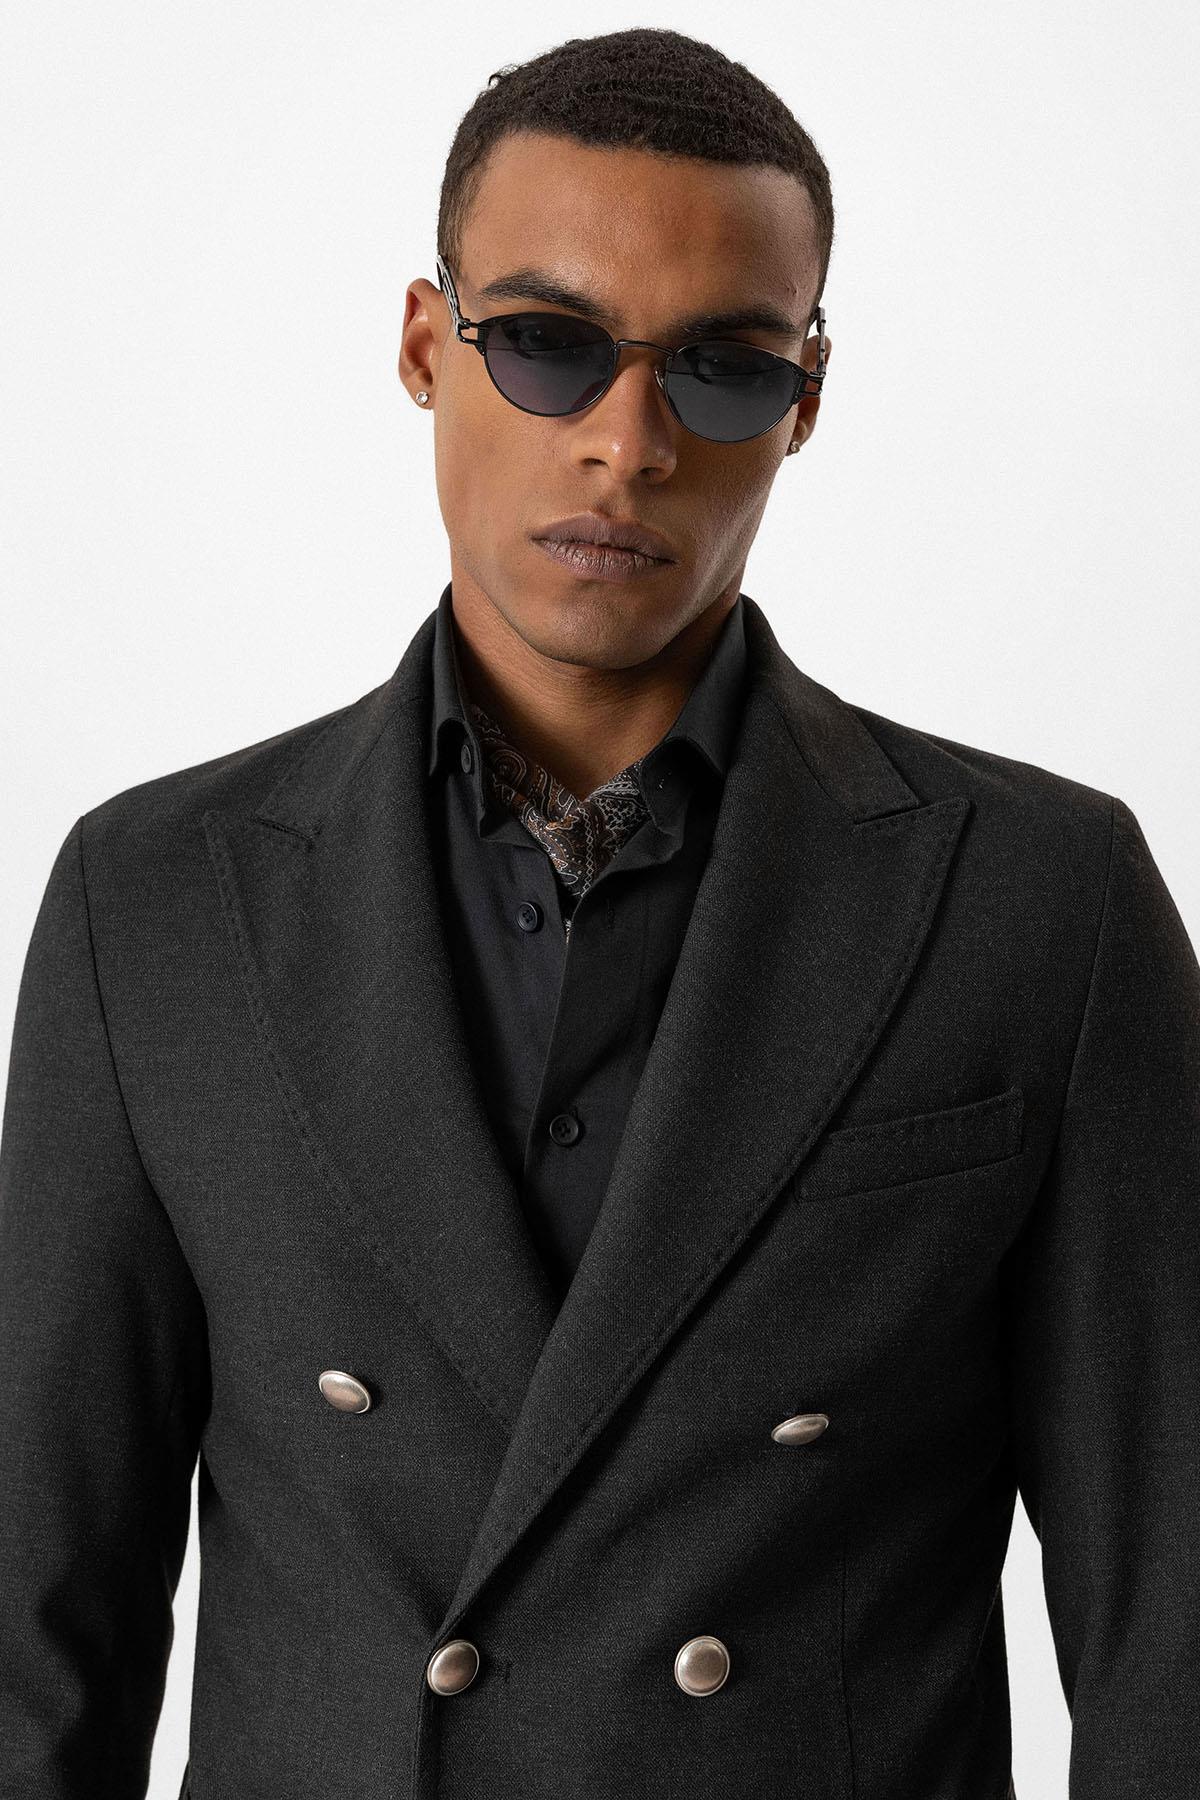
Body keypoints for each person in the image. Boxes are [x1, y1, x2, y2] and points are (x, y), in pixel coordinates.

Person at [1, 25, 1196, 1800]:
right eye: (550, 346)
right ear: (428, 347)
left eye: (721, 369)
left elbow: (1174, 1629)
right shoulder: (155, 901)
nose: (626, 446)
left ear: (805, 398)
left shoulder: (1043, 899)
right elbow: (38, 1635)